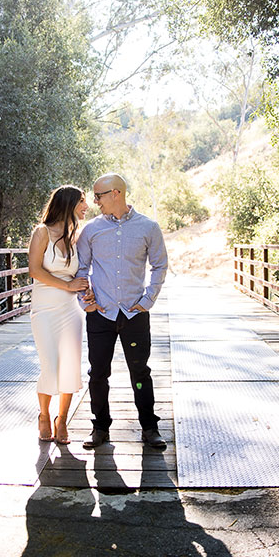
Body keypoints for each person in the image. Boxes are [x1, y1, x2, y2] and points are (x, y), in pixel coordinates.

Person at [76, 172, 168, 450]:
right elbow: (81, 269)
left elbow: (160, 265)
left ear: (116, 193)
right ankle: (100, 427)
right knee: (98, 373)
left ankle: (149, 428)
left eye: (99, 196)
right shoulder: (91, 230)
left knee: (140, 372)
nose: (95, 202)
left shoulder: (148, 227)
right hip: (100, 314)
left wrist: (148, 299)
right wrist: (85, 300)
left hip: (134, 314)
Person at [28, 185, 89, 444]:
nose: (87, 206)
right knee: (50, 364)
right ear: (68, 203)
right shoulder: (41, 232)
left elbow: (82, 272)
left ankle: (62, 419)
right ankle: (44, 415)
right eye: (82, 201)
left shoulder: (76, 236)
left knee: (70, 365)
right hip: (44, 308)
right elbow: (34, 270)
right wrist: (67, 285)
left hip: (70, 310)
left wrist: (88, 289)